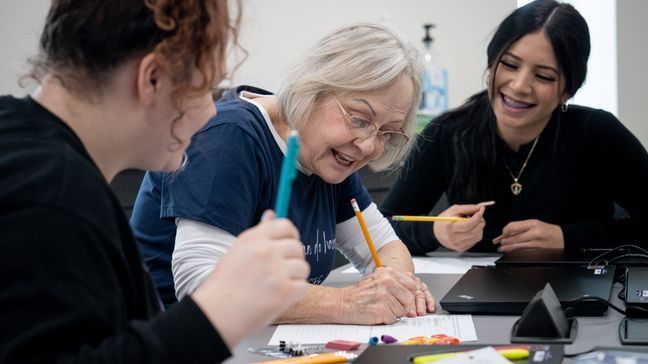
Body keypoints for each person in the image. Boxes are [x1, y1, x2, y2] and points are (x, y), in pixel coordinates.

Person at [0, 0, 311, 362]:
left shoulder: (28, 152)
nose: (212, 111)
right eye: (205, 87)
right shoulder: (49, 194)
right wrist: (218, 312)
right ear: (152, 78)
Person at [131, 23, 436, 324]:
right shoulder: (228, 136)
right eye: (359, 119)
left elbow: (384, 245)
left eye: (387, 132)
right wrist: (344, 302)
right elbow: (203, 286)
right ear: (314, 89)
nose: (369, 145)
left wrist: (396, 288)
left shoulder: (330, 154)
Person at [381, 0, 648, 256]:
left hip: (583, 296)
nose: (519, 86)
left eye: (543, 76)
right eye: (509, 64)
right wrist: (435, 232)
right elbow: (380, 228)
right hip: (474, 298)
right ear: (491, 61)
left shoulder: (597, 133)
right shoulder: (448, 132)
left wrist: (567, 238)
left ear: (568, 89)